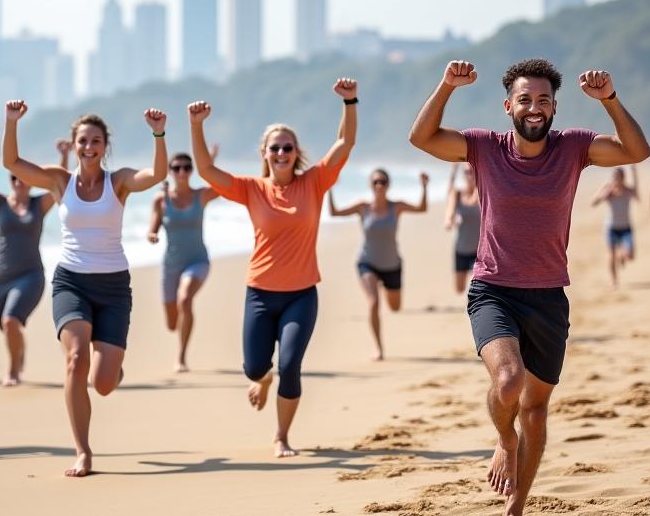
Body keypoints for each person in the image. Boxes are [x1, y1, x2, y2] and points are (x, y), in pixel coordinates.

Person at [409, 58, 649, 516]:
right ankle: (503, 439)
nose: (534, 108)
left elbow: (636, 151)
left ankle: (514, 514)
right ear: (508, 106)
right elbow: (423, 138)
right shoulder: (484, 147)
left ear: (555, 106)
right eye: (525, 100)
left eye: (543, 100)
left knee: (536, 411)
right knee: (508, 379)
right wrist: (447, 86)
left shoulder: (574, 148)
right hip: (493, 288)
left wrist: (610, 101)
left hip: (547, 297)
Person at [188, 78, 358, 458]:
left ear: (296, 152)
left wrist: (350, 102)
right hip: (260, 294)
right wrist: (196, 126)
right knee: (253, 367)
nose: (281, 152)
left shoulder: (314, 182)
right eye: (274, 147)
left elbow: (344, 144)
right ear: (264, 153)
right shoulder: (252, 188)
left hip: (301, 294)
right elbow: (205, 170)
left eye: (287, 147)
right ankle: (261, 380)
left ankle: (281, 436)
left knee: (291, 364)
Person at [2, 100, 168, 477]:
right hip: (71, 281)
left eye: (95, 141)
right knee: (75, 359)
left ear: (104, 145)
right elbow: (12, 163)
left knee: (104, 384)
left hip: (113, 286)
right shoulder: (60, 181)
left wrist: (158, 133)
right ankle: (83, 451)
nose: (88, 146)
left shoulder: (118, 181)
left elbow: (156, 174)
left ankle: (113, 370)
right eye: (82, 140)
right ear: (74, 145)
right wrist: (12, 123)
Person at [0, 115, 71, 386]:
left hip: (30, 276)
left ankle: (13, 371)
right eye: (14, 177)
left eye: (23, 178)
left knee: (11, 321)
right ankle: (18, 354)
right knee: (7, 326)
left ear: (30, 181)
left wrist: (64, 157)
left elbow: (60, 185)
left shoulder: (39, 205)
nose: (18, 181)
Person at [328, 169, 428, 360]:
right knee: (373, 302)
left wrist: (424, 187)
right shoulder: (363, 207)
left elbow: (422, 208)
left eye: (382, 181)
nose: (379, 185)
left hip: (392, 265)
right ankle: (379, 349)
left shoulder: (396, 207)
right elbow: (334, 212)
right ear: (370, 185)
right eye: (375, 182)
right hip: (367, 262)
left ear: (388, 184)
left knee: (395, 307)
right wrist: (330, 188)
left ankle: (385, 287)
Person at [147, 151, 219, 372]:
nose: (182, 172)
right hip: (171, 265)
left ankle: (181, 357)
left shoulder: (202, 195)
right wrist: (152, 235)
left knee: (185, 299)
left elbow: (224, 185)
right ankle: (178, 328)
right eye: (176, 168)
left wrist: (210, 163)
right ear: (170, 171)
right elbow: (152, 227)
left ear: (191, 171)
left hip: (198, 261)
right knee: (171, 323)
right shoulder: (161, 199)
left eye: (187, 167)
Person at [591, 165, 639, 288]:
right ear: (612, 178)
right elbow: (593, 203)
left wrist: (634, 173)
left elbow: (637, 196)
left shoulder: (628, 190)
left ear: (623, 178)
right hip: (611, 228)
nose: (617, 180)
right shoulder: (608, 190)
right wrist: (603, 194)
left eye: (620, 177)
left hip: (626, 228)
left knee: (630, 255)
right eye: (615, 177)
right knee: (611, 255)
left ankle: (621, 254)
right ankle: (614, 280)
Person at [444, 162, 481, 295]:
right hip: (461, 249)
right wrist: (449, 220)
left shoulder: (481, 192)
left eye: (472, 172)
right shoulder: (457, 194)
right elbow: (450, 208)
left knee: (474, 284)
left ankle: (473, 309)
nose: (469, 175)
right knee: (459, 289)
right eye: (466, 172)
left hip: (478, 251)